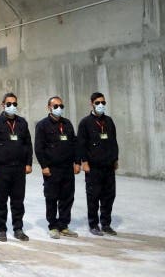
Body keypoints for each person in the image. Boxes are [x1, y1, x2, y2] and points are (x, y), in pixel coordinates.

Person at [0, 92, 33, 242]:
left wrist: (28, 163)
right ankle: (1, 230)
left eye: (14, 104)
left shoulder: (22, 123)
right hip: (1, 168)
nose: (12, 107)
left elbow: (28, 144)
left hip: (19, 169)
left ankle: (18, 228)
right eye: (9, 104)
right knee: (1, 200)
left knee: (18, 200)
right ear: (3, 105)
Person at [34, 96, 80, 239]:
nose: (59, 108)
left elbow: (75, 143)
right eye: (56, 106)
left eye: (61, 106)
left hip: (67, 168)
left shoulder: (67, 124)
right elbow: (39, 147)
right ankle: (53, 226)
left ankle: (63, 225)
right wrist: (44, 166)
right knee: (52, 197)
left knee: (67, 197)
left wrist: (77, 162)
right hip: (52, 169)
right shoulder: (42, 125)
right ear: (49, 107)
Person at [77, 92, 119, 236]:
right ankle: (93, 224)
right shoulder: (85, 123)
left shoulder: (109, 121)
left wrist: (115, 159)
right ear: (92, 104)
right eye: (97, 102)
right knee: (93, 196)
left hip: (108, 166)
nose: (101, 105)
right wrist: (84, 162)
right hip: (93, 167)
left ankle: (106, 224)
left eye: (103, 102)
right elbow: (81, 145)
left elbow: (114, 141)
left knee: (109, 196)